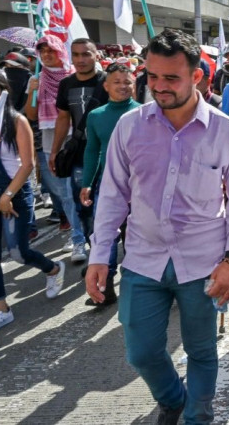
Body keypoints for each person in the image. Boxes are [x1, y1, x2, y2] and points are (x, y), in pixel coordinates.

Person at [85, 29, 229, 424]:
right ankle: (173, 398)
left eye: (171, 78)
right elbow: (112, 196)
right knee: (140, 351)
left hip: (204, 262)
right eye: (152, 76)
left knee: (201, 351)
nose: (159, 87)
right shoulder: (130, 127)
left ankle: (198, 416)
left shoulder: (226, 131)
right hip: (143, 258)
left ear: (197, 77)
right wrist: (99, 257)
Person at [0, 70, 65, 337]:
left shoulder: (16, 122)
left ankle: (53, 268)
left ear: (3, 91)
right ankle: (1, 309)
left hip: (13, 193)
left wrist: (7, 196)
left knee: (18, 252)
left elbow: (27, 164)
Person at [79, 63, 140, 306]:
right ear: (106, 86)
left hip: (139, 188)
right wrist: (87, 183)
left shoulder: (144, 113)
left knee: (135, 238)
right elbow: (92, 150)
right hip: (109, 187)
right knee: (105, 236)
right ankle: (105, 288)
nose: (123, 86)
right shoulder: (95, 116)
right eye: (117, 82)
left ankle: (137, 285)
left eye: (128, 82)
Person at [50, 38, 109, 252]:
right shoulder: (66, 84)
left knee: (111, 205)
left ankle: (107, 249)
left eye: (86, 54)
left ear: (96, 55)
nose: (81, 59)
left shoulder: (108, 81)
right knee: (83, 205)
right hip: (80, 155)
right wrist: (55, 151)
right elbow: (63, 118)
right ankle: (92, 245)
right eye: (76, 54)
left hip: (109, 154)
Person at [25, 36, 80, 243]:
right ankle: (77, 236)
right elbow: (31, 114)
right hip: (51, 141)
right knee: (63, 193)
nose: (47, 55)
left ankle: (85, 233)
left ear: (60, 51)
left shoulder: (74, 76)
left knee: (80, 189)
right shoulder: (37, 79)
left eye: (51, 50)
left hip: (76, 138)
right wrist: (33, 90)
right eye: (43, 51)